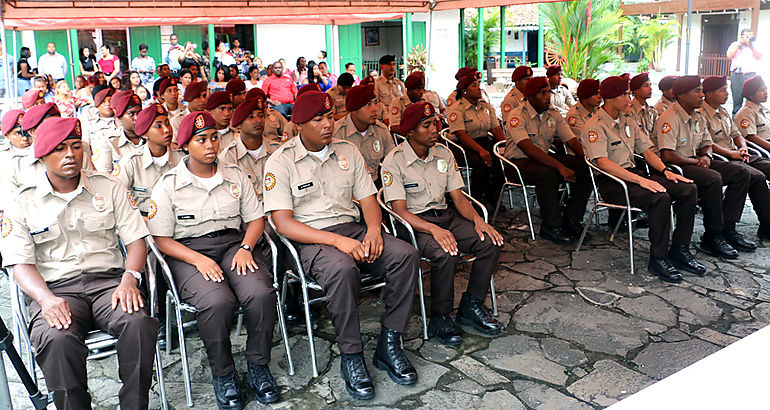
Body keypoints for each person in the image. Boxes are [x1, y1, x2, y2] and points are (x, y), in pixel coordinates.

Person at [264, 90, 420, 401]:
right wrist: (339, 242)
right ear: (298, 126)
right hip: (310, 240)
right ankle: (352, 355)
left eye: (329, 117)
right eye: (318, 119)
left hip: (352, 230)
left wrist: (374, 230)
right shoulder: (280, 162)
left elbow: (368, 200)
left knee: (406, 255)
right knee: (342, 268)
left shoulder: (348, 151)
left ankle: (389, 344)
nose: (327, 124)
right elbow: (283, 223)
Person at [1, 117, 158, 410]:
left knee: (138, 323)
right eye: (59, 149)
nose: (70, 154)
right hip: (57, 290)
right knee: (56, 339)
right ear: (42, 155)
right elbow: (19, 264)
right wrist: (46, 300)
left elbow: (137, 240)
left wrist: (130, 278)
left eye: (76, 146)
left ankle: (135, 405)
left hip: (109, 283)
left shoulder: (109, 187)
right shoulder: (22, 201)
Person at [148, 111, 280, 407]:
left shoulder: (235, 175)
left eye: (213, 138)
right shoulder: (168, 184)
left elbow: (256, 219)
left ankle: (258, 365)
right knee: (217, 302)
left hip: (235, 245)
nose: (210, 145)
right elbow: (161, 239)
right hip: (188, 252)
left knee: (260, 294)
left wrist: (247, 247)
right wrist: (197, 260)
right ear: (185, 146)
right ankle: (223, 373)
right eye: (200, 140)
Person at [381, 102, 504, 345]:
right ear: (410, 132)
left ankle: (471, 305)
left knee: (490, 241)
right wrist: (433, 229)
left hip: (445, 216)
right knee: (445, 252)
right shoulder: (393, 161)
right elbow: (399, 211)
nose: (434, 129)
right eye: (426, 125)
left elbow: (458, 198)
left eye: (435, 123)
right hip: (414, 224)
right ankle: (440, 315)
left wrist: (479, 220)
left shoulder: (443, 153)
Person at [580, 75, 703, 283]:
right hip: (612, 182)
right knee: (659, 198)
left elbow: (647, 151)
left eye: (629, 93)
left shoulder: (628, 120)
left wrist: (665, 171)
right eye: (624, 95)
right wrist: (640, 181)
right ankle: (658, 258)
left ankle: (680, 249)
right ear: (609, 98)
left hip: (634, 175)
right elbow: (603, 163)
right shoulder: (595, 126)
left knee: (687, 190)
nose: (629, 98)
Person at [655, 75, 754, 258]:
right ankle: (712, 234)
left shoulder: (698, 115)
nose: (702, 95)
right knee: (713, 179)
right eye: (697, 91)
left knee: (741, 172)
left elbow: (706, 142)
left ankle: (727, 228)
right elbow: (667, 155)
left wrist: (707, 155)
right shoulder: (669, 118)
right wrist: (697, 161)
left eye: (701, 90)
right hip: (677, 165)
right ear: (682, 95)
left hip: (697, 160)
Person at [504, 76, 591, 243]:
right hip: (518, 163)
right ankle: (551, 226)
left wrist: (587, 158)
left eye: (548, 92)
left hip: (543, 158)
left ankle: (572, 218)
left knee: (583, 167)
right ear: (529, 97)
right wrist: (560, 167)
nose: (547, 97)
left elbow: (571, 140)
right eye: (541, 93)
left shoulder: (553, 114)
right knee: (548, 172)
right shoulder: (517, 115)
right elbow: (528, 149)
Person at [705, 75, 770, 240]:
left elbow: (736, 134)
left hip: (736, 153)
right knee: (754, 176)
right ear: (709, 94)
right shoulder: (701, 114)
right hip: (720, 157)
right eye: (722, 90)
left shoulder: (723, 111)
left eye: (727, 89)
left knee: (761, 172)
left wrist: (742, 147)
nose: (727, 93)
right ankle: (728, 227)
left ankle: (766, 223)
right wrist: (731, 153)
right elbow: (706, 143)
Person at [445, 68, 505, 206]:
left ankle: (494, 195)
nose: (479, 88)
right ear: (464, 90)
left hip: (484, 141)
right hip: (463, 146)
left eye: (478, 85)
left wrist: (504, 146)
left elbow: (496, 128)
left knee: (500, 161)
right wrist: (481, 151)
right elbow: (461, 134)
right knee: (481, 162)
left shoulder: (485, 106)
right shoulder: (457, 108)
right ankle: (476, 199)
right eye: (474, 86)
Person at [113, 103, 183, 216]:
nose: (166, 130)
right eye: (158, 126)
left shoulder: (182, 158)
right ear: (145, 134)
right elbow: (116, 200)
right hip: (144, 223)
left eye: (167, 123)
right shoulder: (131, 163)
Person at [333, 83, 395, 184]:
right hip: (348, 190)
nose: (375, 108)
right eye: (368, 104)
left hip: (374, 184)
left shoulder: (381, 130)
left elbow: (393, 162)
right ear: (353, 109)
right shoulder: (337, 134)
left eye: (376, 103)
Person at [219, 95, 271, 193]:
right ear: (238, 125)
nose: (258, 120)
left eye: (260, 116)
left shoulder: (277, 150)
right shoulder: (228, 157)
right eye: (251, 117)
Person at [92, 90, 145, 172]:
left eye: (139, 112)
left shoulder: (151, 137)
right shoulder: (109, 142)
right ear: (120, 118)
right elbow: (104, 177)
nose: (137, 118)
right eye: (131, 114)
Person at [727, 29, 762, 115]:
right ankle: (735, 122)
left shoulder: (755, 45)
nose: (748, 38)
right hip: (737, 75)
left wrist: (751, 46)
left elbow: (759, 56)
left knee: (752, 100)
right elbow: (729, 55)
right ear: (741, 36)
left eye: (750, 36)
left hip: (750, 75)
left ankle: (752, 122)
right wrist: (739, 45)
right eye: (746, 36)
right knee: (737, 101)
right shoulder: (735, 44)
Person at [628, 72, 658, 143]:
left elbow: (656, 135)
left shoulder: (652, 111)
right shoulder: (629, 111)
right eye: (646, 86)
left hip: (653, 149)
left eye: (650, 85)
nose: (650, 88)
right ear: (636, 90)